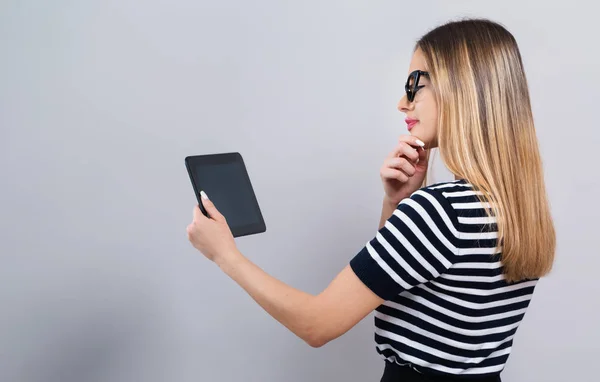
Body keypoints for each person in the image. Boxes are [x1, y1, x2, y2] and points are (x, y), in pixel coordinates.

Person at [186, 18, 556, 382]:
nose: (402, 103)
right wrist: (396, 203)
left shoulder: (438, 213)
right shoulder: (517, 212)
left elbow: (317, 324)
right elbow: (403, 282)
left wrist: (225, 255)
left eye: (416, 85)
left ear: (461, 90)